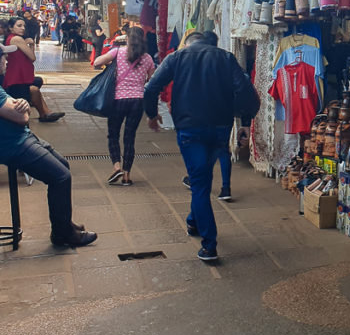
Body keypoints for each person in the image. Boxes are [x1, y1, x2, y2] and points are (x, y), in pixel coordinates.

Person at [144, 30, 259, 262]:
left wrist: (151, 114)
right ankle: (193, 221)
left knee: (200, 185)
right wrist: (245, 120)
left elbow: (150, 88)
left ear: (188, 42)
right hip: (220, 127)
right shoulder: (225, 58)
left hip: (190, 129)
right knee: (201, 179)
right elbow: (246, 90)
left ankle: (209, 245)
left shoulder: (177, 57)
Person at [0, 43, 96, 247]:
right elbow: (22, 116)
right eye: (3, 57)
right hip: (12, 145)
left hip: (21, 137)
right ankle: (62, 235)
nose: (6, 61)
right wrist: (23, 109)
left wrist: (22, 107)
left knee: (63, 165)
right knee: (61, 177)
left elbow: (20, 111)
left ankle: (63, 224)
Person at [93, 27, 155, 186]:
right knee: (129, 137)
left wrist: (110, 61)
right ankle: (127, 175)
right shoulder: (147, 58)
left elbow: (97, 62)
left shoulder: (118, 51)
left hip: (117, 100)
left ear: (127, 38)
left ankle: (116, 167)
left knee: (113, 134)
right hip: (137, 100)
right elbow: (152, 79)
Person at [180, 31, 234, 201]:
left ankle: (198, 181)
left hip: (201, 115)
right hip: (224, 115)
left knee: (204, 151)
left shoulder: (195, 62)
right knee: (223, 151)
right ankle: (226, 188)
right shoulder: (225, 60)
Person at [4, 17, 64, 122]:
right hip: (17, 78)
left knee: (35, 90)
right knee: (34, 90)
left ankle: (46, 113)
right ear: (11, 28)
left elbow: (30, 59)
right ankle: (45, 113)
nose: (22, 28)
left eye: (24, 26)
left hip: (18, 76)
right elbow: (32, 57)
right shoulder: (17, 39)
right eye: (19, 26)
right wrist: (30, 43)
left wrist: (30, 44)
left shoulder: (12, 38)